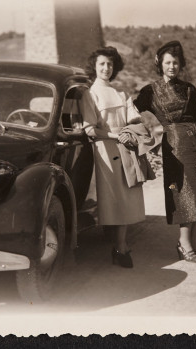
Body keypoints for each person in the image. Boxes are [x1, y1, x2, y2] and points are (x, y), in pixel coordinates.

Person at [134, 41, 196, 263]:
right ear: (160, 64)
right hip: (175, 146)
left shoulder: (190, 88)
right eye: (168, 62)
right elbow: (132, 112)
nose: (172, 66)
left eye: (176, 62)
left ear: (181, 64)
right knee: (184, 193)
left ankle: (192, 244)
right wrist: (141, 134)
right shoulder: (151, 90)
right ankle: (183, 244)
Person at [82, 46, 146, 268]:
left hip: (124, 147)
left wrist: (130, 131)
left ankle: (119, 245)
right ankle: (120, 247)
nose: (106, 68)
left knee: (126, 196)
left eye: (110, 64)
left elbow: (134, 118)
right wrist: (114, 135)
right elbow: (90, 129)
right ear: (95, 66)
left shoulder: (121, 94)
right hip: (104, 151)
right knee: (113, 199)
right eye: (101, 64)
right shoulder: (90, 94)